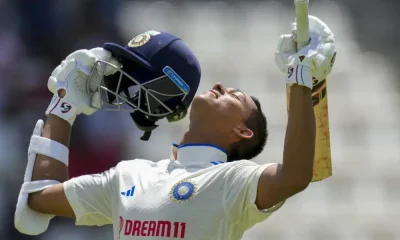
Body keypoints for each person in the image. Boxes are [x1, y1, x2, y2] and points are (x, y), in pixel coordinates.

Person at [15, 16, 336, 240]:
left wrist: (301, 78)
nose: (221, 85)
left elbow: (295, 175)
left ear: (242, 132)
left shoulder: (233, 181)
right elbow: (39, 200)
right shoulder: (128, 175)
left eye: (235, 97)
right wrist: (64, 106)